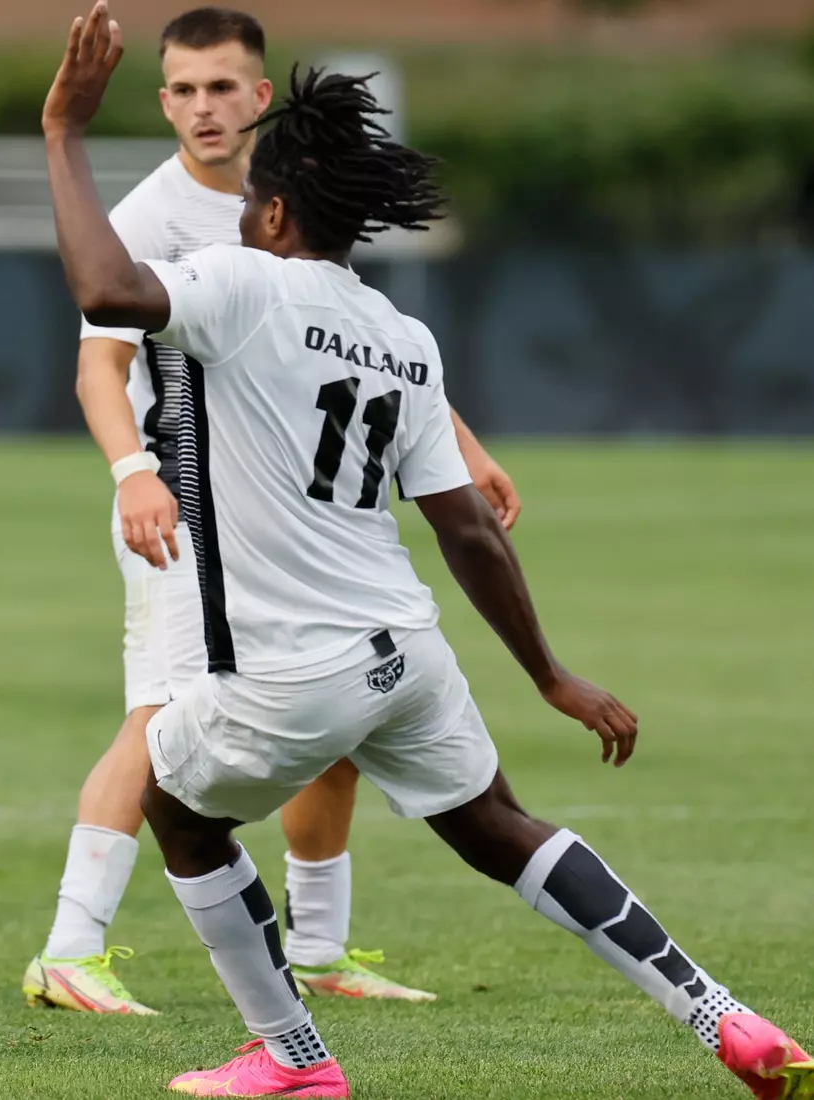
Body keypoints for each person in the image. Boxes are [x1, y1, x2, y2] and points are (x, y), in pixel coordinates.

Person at [41, 6, 813, 1097]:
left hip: (287, 671)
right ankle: (723, 1014)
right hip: (407, 651)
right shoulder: (402, 336)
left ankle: (292, 1057)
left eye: (255, 197)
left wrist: (65, 133)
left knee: (176, 805)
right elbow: (467, 528)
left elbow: (105, 292)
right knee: (501, 825)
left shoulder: (238, 283)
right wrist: (549, 674)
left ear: (272, 213)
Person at [25, 5, 519, 1016]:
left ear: (259, 95)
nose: (203, 107)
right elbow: (98, 367)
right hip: (183, 511)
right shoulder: (150, 218)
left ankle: (321, 945)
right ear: (164, 101)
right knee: (164, 711)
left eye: (222, 87)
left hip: (287, 514)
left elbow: (352, 341)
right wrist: (132, 472)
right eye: (183, 90)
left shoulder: (293, 197)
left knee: (340, 711)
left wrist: (463, 449)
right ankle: (70, 948)